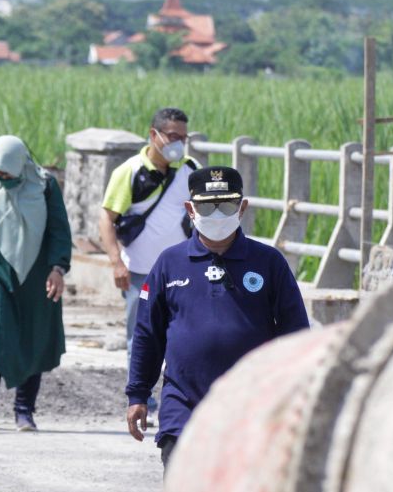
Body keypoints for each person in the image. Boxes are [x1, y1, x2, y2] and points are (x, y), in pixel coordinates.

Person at [125, 166, 309, 469]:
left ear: (242, 207)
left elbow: (295, 334)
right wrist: (137, 394)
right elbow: (148, 333)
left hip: (252, 407)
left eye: (226, 205)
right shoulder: (169, 263)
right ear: (190, 209)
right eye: (207, 206)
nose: (217, 214)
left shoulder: (268, 263)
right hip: (183, 403)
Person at [100, 107, 201, 426]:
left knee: (183, 333)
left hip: (184, 270)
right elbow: (107, 218)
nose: (178, 144)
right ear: (153, 134)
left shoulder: (191, 170)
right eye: (173, 137)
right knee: (141, 335)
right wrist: (116, 262)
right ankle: (142, 396)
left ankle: (181, 392)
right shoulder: (130, 172)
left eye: (183, 138)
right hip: (140, 271)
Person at [0, 134, 71, 433]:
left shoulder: (44, 185)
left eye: (6, 172)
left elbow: (58, 228)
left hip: (38, 272)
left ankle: (24, 411)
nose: (2, 178)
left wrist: (58, 268)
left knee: (33, 338)